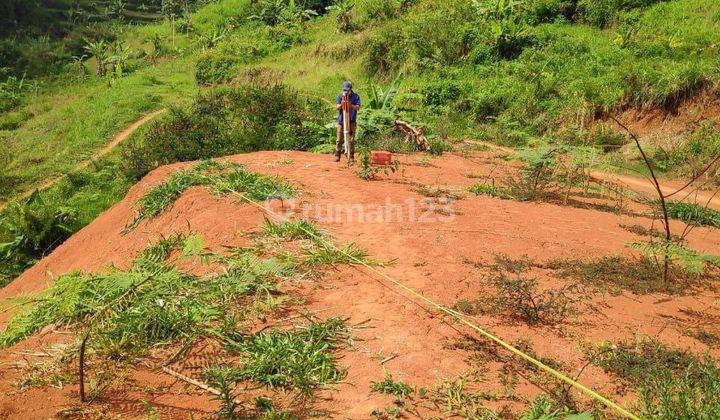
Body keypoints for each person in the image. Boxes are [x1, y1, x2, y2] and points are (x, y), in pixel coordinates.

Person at [334, 81, 361, 162]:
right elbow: (337, 107)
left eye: (347, 90)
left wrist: (351, 105)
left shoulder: (356, 96)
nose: (346, 92)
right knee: (339, 139)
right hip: (341, 121)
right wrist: (342, 104)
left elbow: (357, 107)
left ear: (350, 89)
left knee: (351, 139)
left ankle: (351, 156)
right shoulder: (340, 96)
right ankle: (337, 155)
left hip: (352, 121)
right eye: (344, 90)